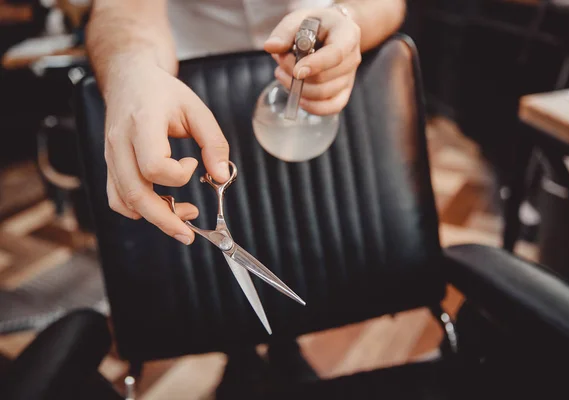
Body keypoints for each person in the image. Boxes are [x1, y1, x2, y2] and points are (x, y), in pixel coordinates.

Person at [85, 0, 406, 395]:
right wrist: (130, 72)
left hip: (314, 108)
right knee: (213, 272)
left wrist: (348, 19)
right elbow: (121, 9)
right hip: (186, 100)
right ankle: (239, 354)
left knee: (301, 234)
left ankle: (285, 344)